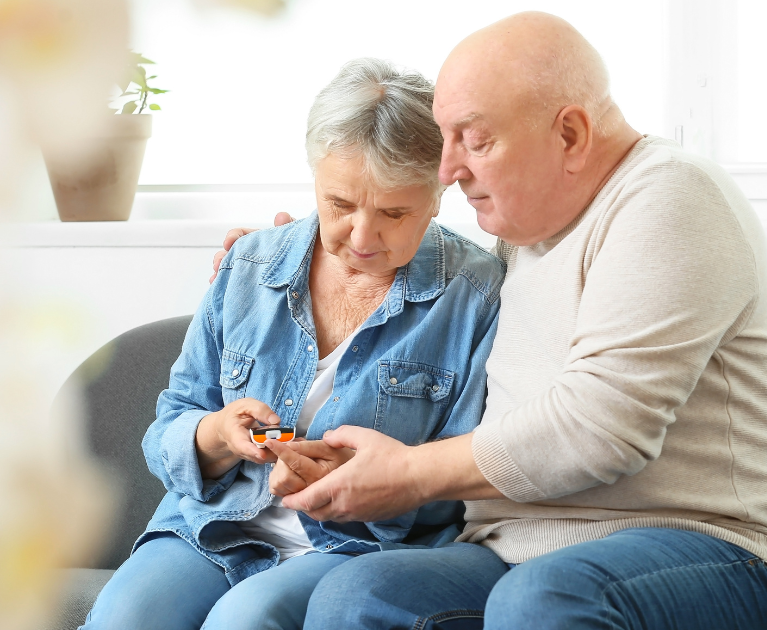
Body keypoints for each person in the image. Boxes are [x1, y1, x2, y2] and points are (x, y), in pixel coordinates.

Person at [219, 11, 767, 630]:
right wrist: (296, 257)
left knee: (541, 599)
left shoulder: (670, 197)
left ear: (570, 135)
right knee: (357, 595)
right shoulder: (521, 235)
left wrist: (408, 475)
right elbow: (414, 265)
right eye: (445, 140)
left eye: (473, 140)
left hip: (714, 548)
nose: (448, 170)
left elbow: (600, 430)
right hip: (517, 547)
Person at [83, 58, 504, 630]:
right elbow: (169, 426)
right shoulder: (250, 266)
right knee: (126, 616)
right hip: (215, 526)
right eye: (340, 204)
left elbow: (464, 483)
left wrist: (353, 481)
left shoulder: (474, 296)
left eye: (394, 213)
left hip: (357, 548)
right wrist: (217, 435)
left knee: (244, 620)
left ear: (438, 194)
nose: (361, 236)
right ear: (314, 177)